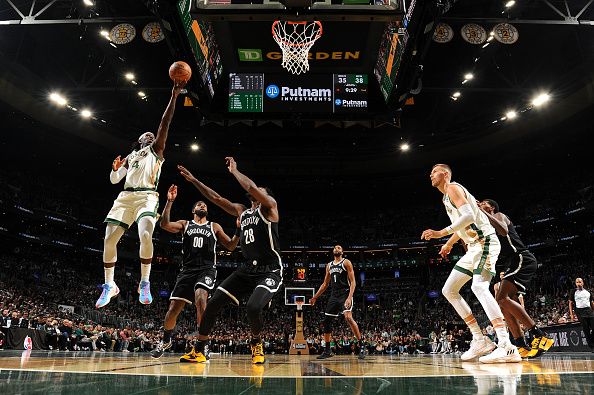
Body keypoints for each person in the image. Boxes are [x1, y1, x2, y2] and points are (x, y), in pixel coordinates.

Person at [176, 157, 282, 364]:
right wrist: (195, 181)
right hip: (246, 270)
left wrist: (234, 171)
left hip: (269, 270)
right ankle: (200, 349)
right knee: (213, 302)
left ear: (265, 196)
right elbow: (216, 199)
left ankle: (256, 342)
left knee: (252, 307)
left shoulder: (270, 208)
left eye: (260, 190)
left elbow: (251, 185)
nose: (255, 191)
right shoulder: (242, 212)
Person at [96, 82, 184, 309]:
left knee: (146, 235)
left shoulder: (157, 151)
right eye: (146, 134)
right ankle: (109, 286)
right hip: (125, 197)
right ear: (140, 139)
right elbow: (115, 181)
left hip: (147, 197)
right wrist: (115, 169)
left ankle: (145, 282)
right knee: (108, 240)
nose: (150, 135)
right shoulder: (131, 156)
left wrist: (173, 96)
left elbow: (165, 123)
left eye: (152, 135)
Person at [421, 164, 520, 363]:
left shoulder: (453, 188)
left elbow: (468, 216)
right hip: (474, 247)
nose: (430, 174)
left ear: (445, 174)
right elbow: (464, 224)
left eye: (434, 171)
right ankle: (479, 338)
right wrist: (449, 244)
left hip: (485, 242)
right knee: (448, 290)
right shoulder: (445, 197)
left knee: (479, 287)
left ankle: (506, 345)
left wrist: (441, 233)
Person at [151, 184, 240, 360]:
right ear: (193, 210)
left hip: (206, 269)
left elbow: (230, 245)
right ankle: (166, 340)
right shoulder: (186, 224)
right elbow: (165, 225)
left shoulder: (214, 226)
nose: (202, 206)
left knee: (201, 297)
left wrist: (238, 230)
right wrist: (169, 202)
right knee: (173, 309)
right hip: (187, 271)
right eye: (199, 205)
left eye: (205, 205)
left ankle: (202, 344)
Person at [479, 199, 553, 358]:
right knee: (505, 303)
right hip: (512, 262)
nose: (481, 203)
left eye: (484, 203)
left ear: (491, 207)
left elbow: (504, 231)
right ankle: (520, 345)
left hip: (522, 258)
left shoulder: (499, 215)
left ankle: (539, 335)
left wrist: (483, 211)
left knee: (501, 298)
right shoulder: (488, 228)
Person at [310, 245, 365, 360]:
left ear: (342, 251)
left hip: (345, 293)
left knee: (348, 317)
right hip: (334, 295)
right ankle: (327, 350)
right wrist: (315, 297)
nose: (337, 248)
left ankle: (361, 346)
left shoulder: (346, 263)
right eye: (335, 248)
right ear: (332, 251)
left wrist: (349, 297)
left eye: (339, 248)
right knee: (326, 322)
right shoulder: (329, 265)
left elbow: (353, 282)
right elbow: (325, 284)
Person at [569, 277, 594, 351]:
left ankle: (592, 341)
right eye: (577, 282)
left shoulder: (588, 291)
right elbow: (570, 303)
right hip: (580, 312)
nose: (578, 283)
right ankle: (592, 347)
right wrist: (571, 315)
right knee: (586, 330)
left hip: (590, 311)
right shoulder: (573, 291)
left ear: (583, 283)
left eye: (580, 282)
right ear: (575, 284)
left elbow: (592, 302)